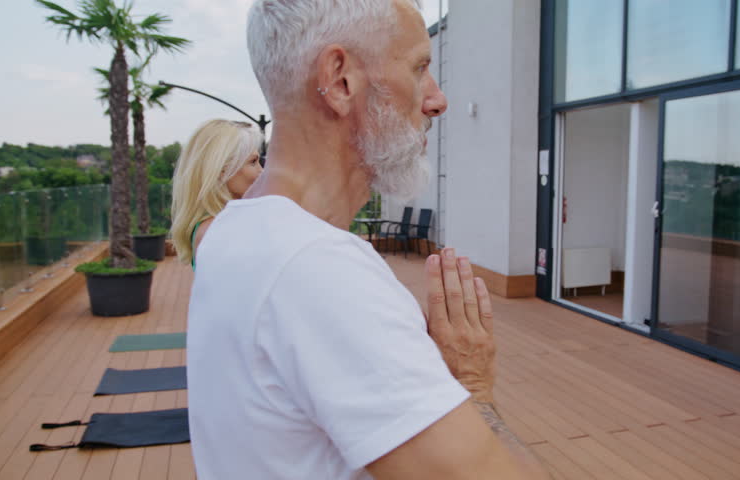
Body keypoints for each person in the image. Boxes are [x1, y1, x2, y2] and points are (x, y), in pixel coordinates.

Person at [186, 1, 549, 479]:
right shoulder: (318, 270)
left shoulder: (233, 231)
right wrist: (473, 386)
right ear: (340, 81)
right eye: (420, 67)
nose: (437, 100)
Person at [169, 119, 264, 270]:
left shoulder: (219, 225)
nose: (261, 171)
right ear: (221, 170)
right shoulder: (215, 231)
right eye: (253, 162)